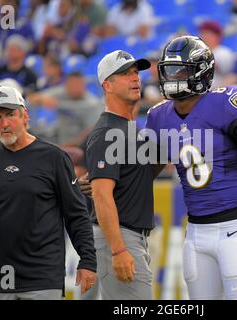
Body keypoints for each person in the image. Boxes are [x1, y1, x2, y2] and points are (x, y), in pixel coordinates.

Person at [146, 35, 237, 300]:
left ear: (202, 71)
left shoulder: (223, 104)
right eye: (168, 70)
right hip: (196, 230)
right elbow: (147, 173)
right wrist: (106, 177)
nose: (171, 77)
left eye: (179, 70)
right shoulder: (159, 116)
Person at [0, 85, 96, 300]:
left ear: (25, 115)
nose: (4, 124)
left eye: (10, 114)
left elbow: (77, 214)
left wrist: (88, 260)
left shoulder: (53, 157)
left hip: (42, 273)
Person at [84, 50, 153, 299]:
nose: (135, 78)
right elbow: (102, 196)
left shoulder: (130, 130)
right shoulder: (106, 132)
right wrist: (118, 249)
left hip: (126, 236)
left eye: (136, 72)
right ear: (107, 85)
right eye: (125, 74)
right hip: (118, 236)